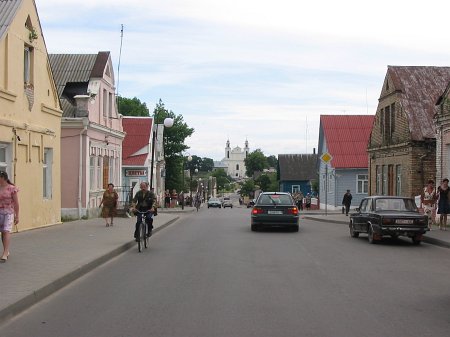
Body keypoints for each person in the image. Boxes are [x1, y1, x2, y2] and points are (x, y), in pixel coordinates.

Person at [0, 171, 19, 262]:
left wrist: (17, 215)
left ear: (3, 178)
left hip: (9, 213)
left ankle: (5, 253)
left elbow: (16, 203)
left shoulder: (12, 188)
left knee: (6, 231)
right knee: (2, 233)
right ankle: (6, 251)